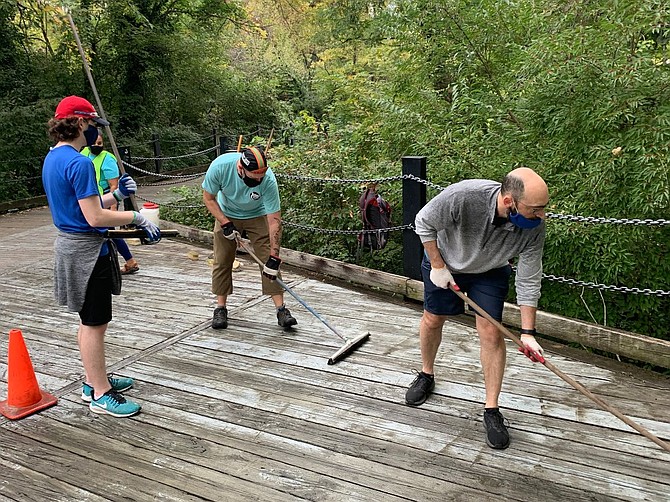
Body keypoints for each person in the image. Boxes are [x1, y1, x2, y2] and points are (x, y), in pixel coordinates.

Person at [405, 167, 548, 450]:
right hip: (445, 262)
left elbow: (529, 278)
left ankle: (491, 409)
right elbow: (423, 222)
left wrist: (528, 332)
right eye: (536, 209)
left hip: (490, 270)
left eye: (544, 208)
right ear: (510, 201)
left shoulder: (534, 228)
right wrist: (437, 265)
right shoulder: (465, 196)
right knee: (433, 319)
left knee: (492, 332)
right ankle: (426, 373)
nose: (542, 215)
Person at [42, 95, 161, 418]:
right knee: (95, 323)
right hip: (85, 251)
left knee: (89, 321)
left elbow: (82, 206)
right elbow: (95, 218)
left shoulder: (53, 158)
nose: (97, 132)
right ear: (80, 123)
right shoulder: (80, 163)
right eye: (94, 124)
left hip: (70, 245)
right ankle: (100, 393)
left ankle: (92, 380)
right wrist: (136, 218)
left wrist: (117, 196)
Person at [202, 145, 297, 330]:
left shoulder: (268, 180)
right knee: (222, 260)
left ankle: (281, 310)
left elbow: (275, 221)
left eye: (260, 177)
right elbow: (208, 198)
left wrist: (274, 255)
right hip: (226, 213)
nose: (258, 180)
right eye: (254, 178)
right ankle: (220, 308)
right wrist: (224, 222)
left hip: (257, 214)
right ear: (240, 168)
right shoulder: (220, 167)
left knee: (268, 261)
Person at [81, 131, 140, 274]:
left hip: (106, 200)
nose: (96, 146)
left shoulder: (107, 159)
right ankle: (129, 261)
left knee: (109, 232)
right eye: (94, 143)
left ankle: (129, 261)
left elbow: (114, 185)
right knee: (106, 233)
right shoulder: (83, 154)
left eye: (99, 143)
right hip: (90, 200)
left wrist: (113, 209)